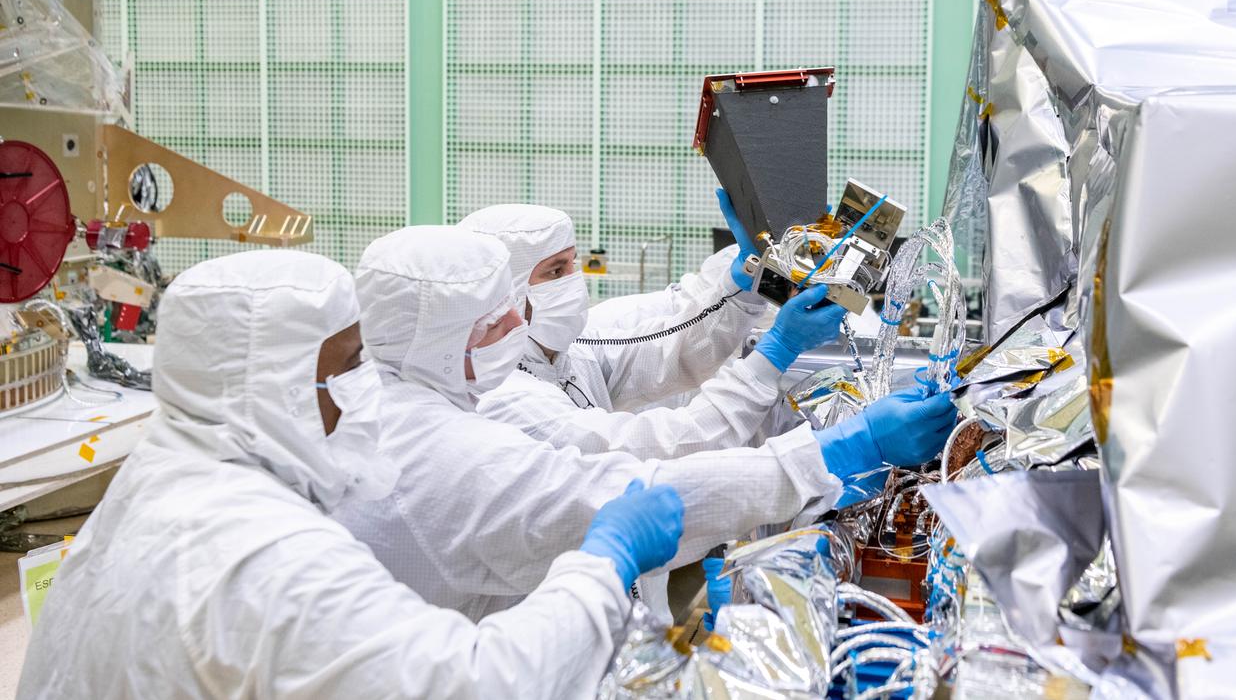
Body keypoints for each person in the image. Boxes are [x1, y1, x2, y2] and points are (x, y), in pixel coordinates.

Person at [17, 251, 685, 700]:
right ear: (277, 384)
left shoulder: (156, 478)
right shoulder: (266, 554)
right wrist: (603, 563)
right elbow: (478, 682)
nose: (368, 385)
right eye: (350, 362)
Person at [334, 226, 956, 622]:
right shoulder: (465, 435)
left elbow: (657, 333)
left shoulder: (427, 389)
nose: (520, 326)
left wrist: (738, 277)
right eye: (501, 321)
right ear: (445, 340)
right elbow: (635, 478)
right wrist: (833, 454)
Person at [460, 198, 831, 459]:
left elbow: (676, 354)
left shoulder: (566, 355)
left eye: (573, 265)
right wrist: (776, 352)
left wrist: (745, 281)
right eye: (556, 271)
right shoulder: (506, 399)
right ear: (508, 291)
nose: (574, 283)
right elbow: (676, 444)